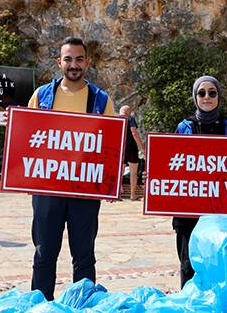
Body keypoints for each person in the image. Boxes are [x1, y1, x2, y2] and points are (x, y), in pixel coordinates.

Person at [26, 37, 115, 300]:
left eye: (79, 59)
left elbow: (110, 145)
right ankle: (41, 305)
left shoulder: (100, 100)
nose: (73, 65)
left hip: (85, 190)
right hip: (48, 188)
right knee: (44, 254)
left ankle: (84, 304)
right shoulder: (42, 96)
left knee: (84, 256)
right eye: (68, 59)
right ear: (59, 62)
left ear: (87, 62)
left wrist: (108, 182)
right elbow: (28, 138)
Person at [173, 75, 227, 288]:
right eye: (202, 93)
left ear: (219, 97)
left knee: (221, 265)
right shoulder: (184, 127)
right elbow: (172, 165)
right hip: (188, 211)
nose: (207, 97)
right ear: (195, 97)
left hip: (221, 210)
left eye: (212, 92)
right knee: (188, 265)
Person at [119, 105, 145, 200]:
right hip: (131, 147)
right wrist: (142, 148)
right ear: (128, 112)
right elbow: (134, 133)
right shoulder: (130, 119)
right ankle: (132, 195)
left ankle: (117, 193)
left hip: (120, 147)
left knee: (119, 171)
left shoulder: (116, 119)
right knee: (133, 172)